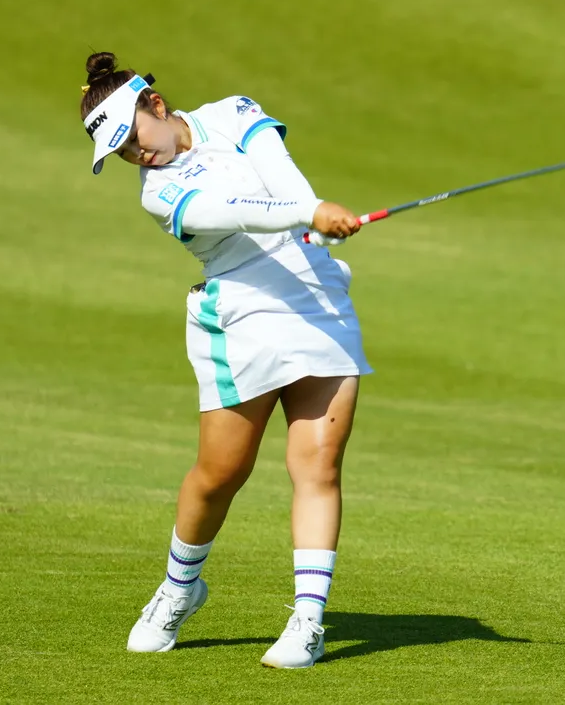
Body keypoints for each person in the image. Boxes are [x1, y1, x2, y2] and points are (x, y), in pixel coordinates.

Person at [78, 51, 370, 669]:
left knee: (317, 466)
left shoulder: (234, 113)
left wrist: (314, 216)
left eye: (134, 137)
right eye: (121, 152)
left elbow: (282, 176)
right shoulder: (159, 195)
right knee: (221, 474)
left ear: (157, 105)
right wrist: (309, 214)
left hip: (317, 299)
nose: (136, 155)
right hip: (241, 314)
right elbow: (238, 212)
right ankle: (179, 588)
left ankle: (308, 620)